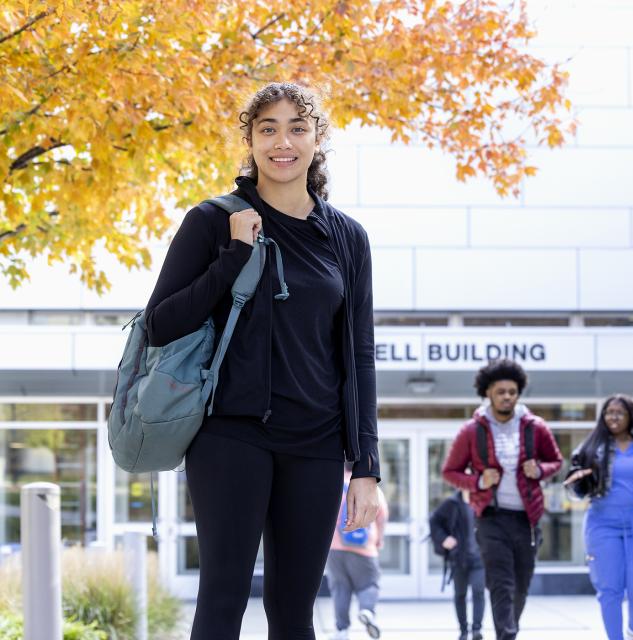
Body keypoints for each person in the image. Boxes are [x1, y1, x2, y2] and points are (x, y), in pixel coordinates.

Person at [144, 82, 381, 640]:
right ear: (249, 140)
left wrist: (365, 463)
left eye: (297, 128)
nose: (283, 142)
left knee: (295, 611)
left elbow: (360, 355)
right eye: (268, 128)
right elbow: (160, 324)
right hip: (231, 436)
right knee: (223, 601)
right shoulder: (212, 220)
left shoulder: (348, 239)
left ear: (317, 140)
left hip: (318, 444)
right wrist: (234, 258)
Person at [442, 358, 563, 640]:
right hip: (491, 519)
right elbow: (450, 471)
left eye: (512, 391)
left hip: (527, 520)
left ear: (518, 393)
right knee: (501, 584)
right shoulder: (472, 431)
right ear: (488, 393)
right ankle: (506, 636)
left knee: (520, 586)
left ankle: (509, 631)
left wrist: (541, 470)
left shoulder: (536, 427)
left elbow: (556, 461)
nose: (507, 396)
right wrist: (479, 481)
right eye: (500, 391)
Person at [563, 394, 633, 640]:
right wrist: (577, 483)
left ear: (631, 417)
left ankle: (632, 631)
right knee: (610, 590)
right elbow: (576, 489)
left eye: (620, 412)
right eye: (609, 412)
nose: (614, 417)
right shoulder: (589, 449)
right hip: (602, 525)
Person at [326, 461, 389, 640]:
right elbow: (381, 516)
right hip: (364, 547)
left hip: (335, 547)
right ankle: (367, 611)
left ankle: (342, 630)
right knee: (369, 583)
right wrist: (379, 540)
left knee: (340, 587)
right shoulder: (371, 488)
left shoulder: (334, 484)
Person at [429, 488, 486, 640]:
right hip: (459, 558)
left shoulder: (482, 501)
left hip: (479, 558)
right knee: (460, 594)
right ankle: (463, 631)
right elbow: (434, 521)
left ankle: (476, 630)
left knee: (478, 591)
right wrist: (443, 538)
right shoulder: (452, 503)